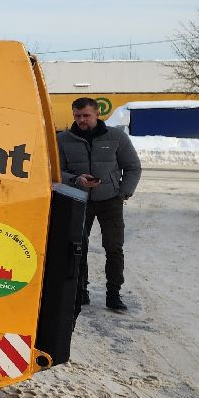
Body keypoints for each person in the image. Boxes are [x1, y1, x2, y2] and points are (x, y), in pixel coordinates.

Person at [56, 97, 141, 312]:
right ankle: (80, 291)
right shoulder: (63, 140)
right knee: (77, 249)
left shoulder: (116, 137)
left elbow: (132, 167)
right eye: (77, 116)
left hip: (110, 201)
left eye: (86, 115)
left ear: (97, 114)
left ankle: (114, 294)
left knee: (114, 248)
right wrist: (76, 180)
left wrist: (123, 193)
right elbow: (55, 171)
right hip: (77, 201)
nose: (82, 120)